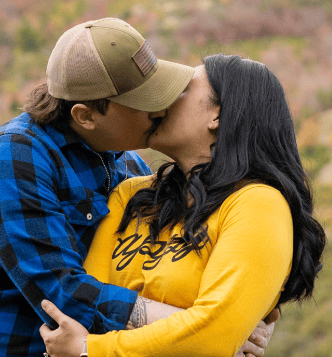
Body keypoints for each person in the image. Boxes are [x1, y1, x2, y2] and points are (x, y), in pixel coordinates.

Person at [0, 17, 274, 357]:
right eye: (142, 101)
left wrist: (249, 316)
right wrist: (209, 331)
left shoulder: (128, 167)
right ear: (85, 116)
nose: (161, 106)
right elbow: (61, 290)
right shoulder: (13, 156)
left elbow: (181, 266)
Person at [39, 54, 326, 357]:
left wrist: (90, 350)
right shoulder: (131, 195)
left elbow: (210, 337)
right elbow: (85, 306)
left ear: (217, 115)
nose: (159, 101)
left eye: (182, 90)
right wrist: (196, 329)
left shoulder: (258, 204)